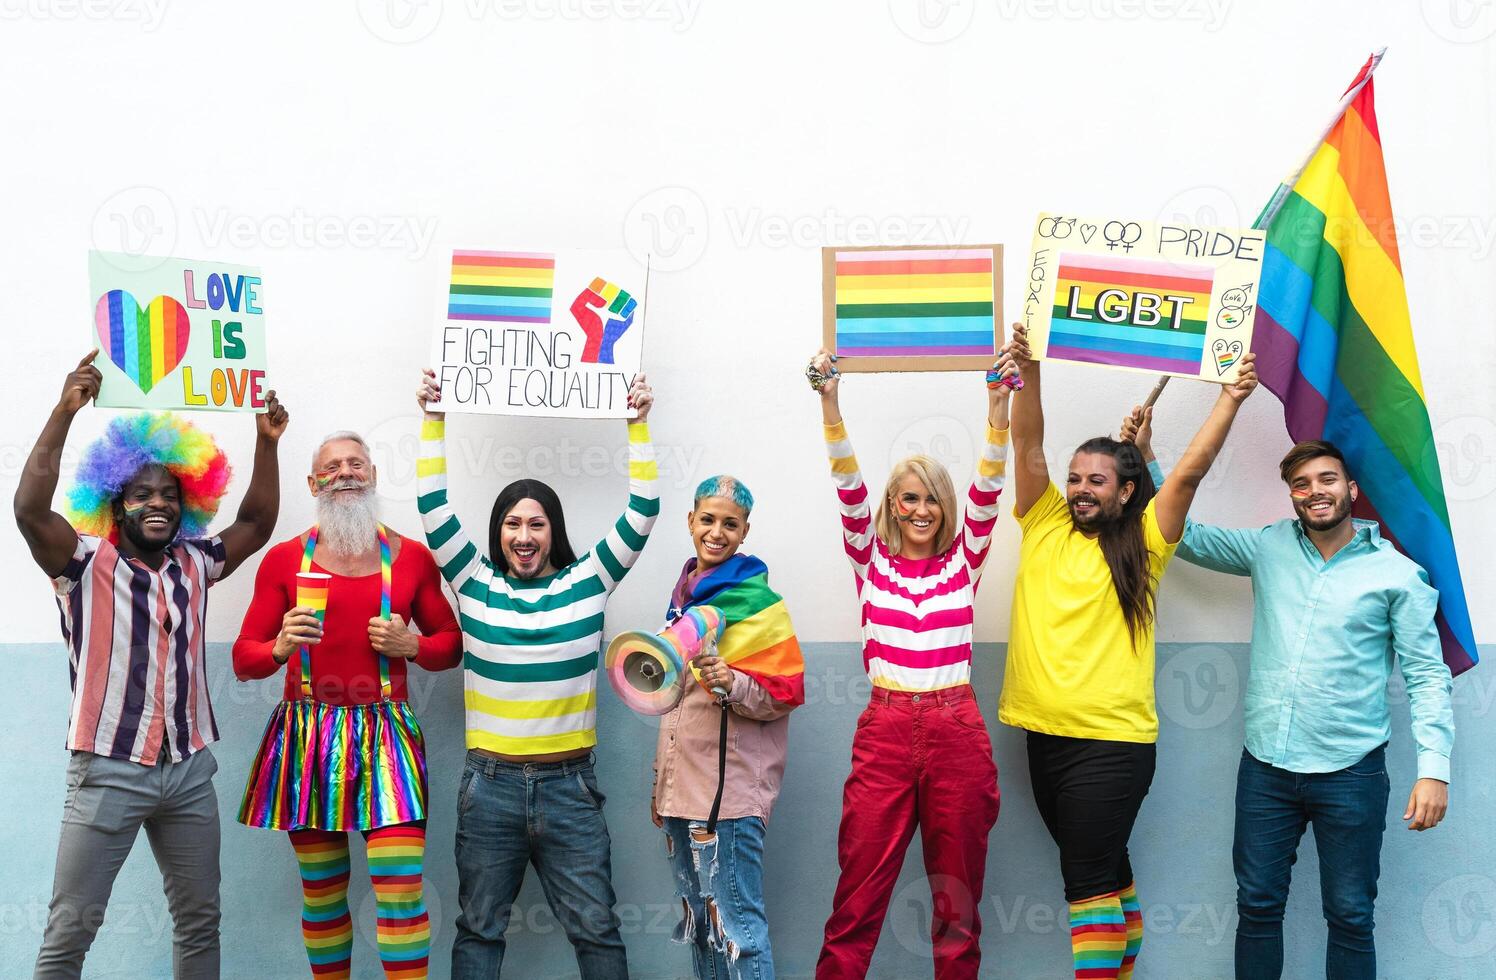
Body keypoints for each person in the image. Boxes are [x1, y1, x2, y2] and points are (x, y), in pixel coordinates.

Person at [1121, 407, 1455, 980]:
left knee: (1350, 915)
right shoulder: (1268, 548)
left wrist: (1434, 769)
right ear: (1293, 496)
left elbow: (1427, 675)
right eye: (1301, 484)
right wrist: (1148, 456)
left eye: (1326, 480)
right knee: (1256, 907)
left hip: (1352, 773)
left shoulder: (1397, 575)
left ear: (1350, 489)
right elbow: (1185, 534)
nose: (1314, 491)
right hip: (1266, 771)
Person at [16, 351, 288, 980]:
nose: (159, 503)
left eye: (170, 493)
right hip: (107, 770)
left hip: (189, 770)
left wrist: (266, 441)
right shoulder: (82, 564)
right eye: (142, 494)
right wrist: (64, 410)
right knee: (70, 930)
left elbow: (257, 520)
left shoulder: (196, 562)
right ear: (117, 503)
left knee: (199, 923)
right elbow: (30, 509)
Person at [999, 324, 1257, 980]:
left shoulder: (1146, 541)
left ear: (1124, 491)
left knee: (1085, 886)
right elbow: (1026, 437)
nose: (1082, 487)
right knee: (1108, 878)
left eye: (1098, 480)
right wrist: (1028, 368)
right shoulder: (1044, 521)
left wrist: (1227, 399)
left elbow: (1190, 473)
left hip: (1110, 748)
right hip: (1043, 737)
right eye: (1076, 477)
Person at [415, 367, 658, 979]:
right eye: (512, 524)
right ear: (499, 532)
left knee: (598, 933)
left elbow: (644, 508)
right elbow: (432, 504)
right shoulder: (473, 581)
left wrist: (638, 424)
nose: (524, 536)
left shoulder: (591, 581)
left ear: (554, 532)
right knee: (479, 932)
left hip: (569, 789)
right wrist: (434, 419)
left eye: (537, 523)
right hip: (488, 786)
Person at [810, 348, 1014, 980]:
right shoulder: (869, 560)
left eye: (931, 499)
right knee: (857, 898)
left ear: (944, 506)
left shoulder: (965, 561)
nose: (920, 510)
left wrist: (997, 408)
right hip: (887, 732)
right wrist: (829, 403)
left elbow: (989, 486)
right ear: (891, 506)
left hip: (956, 728)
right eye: (906, 499)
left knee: (957, 905)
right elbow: (847, 483)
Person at [233, 428, 464, 980]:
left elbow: (450, 645)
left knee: (402, 892)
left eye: (356, 463)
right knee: (322, 895)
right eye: (332, 466)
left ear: (374, 476)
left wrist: (414, 646)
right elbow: (244, 658)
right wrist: (280, 646)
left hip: (388, 740)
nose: (345, 473)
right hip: (305, 737)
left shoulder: (412, 560)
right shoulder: (284, 561)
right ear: (313, 483)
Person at [650, 475, 805, 980]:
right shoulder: (683, 599)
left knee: (737, 930)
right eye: (708, 519)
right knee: (702, 928)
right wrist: (661, 785)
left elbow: (784, 693)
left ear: (744, 532)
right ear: (691, 520)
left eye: (730, 524)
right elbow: (676, 703)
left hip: (728, 802)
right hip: (682, 795)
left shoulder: (758, 601)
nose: (717, 532)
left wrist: (733, 681)